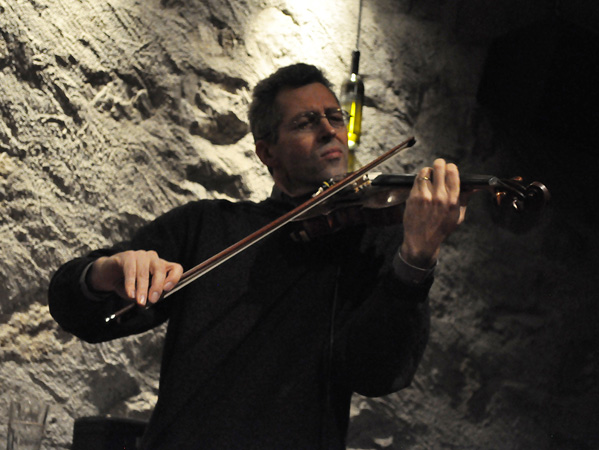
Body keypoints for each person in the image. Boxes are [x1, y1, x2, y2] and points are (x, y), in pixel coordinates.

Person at [49, 63, 465, 449]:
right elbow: (77, 312)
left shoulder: (372, 242)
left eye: (335, 117)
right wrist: (103, 272)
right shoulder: (206, 227)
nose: (329, 130)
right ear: (267, 153)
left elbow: (378, 374)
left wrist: (416, 258)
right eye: (305, 122)